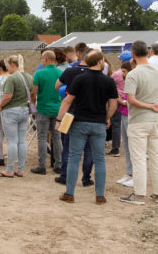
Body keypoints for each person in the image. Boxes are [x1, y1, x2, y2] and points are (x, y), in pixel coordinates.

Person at [56, 49, 118, 204]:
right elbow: (113, 104)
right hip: (98, 123)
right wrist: (108, 117)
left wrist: (59, 120)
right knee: (99, 159)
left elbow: (67, 101)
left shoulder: (79, 79)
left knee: (74, 157)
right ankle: (99, 196)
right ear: (99, 62)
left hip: (79, 122)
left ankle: (69, 193)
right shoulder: (109, 81)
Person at [120, 40, 158, 205]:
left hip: (139, 120)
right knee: (155, 156)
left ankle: (139, 195)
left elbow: (131, 99)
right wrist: (153, 106)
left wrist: (148, 106)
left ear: (133, 54)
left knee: (138, 158)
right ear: (148, 52)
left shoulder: (133, 74)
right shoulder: (157, 71)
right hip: (154, 120)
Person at [57, 49, 95, 187]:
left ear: (81, 56)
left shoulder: (70, 71)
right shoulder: (97, 74)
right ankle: (86, 178)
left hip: (71, 112)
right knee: (89, 148)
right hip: (91, 113)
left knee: (68, 147)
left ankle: (64, 176)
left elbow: (57, 85)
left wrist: (67, 89)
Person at [0, 54, 33, 178]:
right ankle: (21, 169)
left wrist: (0, 106)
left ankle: (10, 169)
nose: (7, 68)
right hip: (24, 110)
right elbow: (33, 94)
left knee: (12, 141)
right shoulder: (29, 77)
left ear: (13, 65)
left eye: (7, 66)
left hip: (11, 111)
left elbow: (7, 96)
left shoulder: (11, 78)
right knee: (22, 141)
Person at [31, 49, 63, 176]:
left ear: (45, 59)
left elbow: (34, 93)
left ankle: (42, 166)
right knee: (57, 138)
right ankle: (58, 165)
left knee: (42, 138)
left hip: (43, 109)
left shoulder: (39, 74)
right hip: (57, 109)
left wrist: (33, 102)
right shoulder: (61, 73)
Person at [111, 55, 133, 187]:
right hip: (125, 113)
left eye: (124, 72)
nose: (122, 74)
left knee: (132, 146)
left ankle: (134, 174)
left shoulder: (133, 80)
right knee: (126, 145)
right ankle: (129, 172)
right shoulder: (127, 80)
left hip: (131, 115)